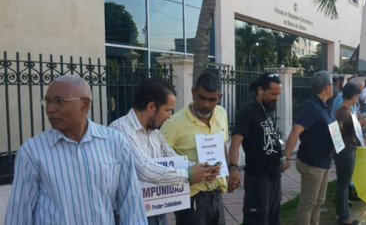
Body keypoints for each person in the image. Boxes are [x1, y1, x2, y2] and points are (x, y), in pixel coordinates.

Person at [5, 75, 147, 224]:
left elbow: (131, 204)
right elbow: (19, 212)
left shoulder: (115, 143)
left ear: (84, 104)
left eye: (59, 101)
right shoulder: (32, 151)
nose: (50, 109)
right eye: (47, 101)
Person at [109, 78, 219, 225]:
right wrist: (189, 174)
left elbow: (175, 160)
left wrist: (204, 169)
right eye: (167, 110)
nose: (169, 117)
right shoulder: (120, 130)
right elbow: (144, 169)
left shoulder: (155, 134)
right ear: (151, 106)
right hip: (131, 216)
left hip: (157, 212)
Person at [161, 72, 230, 225]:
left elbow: (222, 143)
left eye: (212, 100)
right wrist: (189, 172)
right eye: (202, 98)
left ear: (220, 97)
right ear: (193, 92)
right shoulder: (174, 124)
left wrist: (228, 170)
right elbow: (158, 160)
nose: (206, 105)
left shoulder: (221, 113)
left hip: (216, 196)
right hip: (190, 200)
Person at [229, 73, 284, 225]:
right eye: (273, 94)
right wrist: (233, 168)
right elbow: (235, 143)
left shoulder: (267, 112)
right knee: (257, 220)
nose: (276, 98)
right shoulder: (248, 112)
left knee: (273, 218)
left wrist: (282, 158)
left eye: (278, 94)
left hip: (274, 177)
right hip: (258, 179)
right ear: (260, 90)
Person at [281, 70, 335, 225]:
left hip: (324, 161)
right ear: (326, 87)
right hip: (312, 163)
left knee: (319, 202)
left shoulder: (324, 106)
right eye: (331, 84)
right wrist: (285, 157)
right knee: (308, 203)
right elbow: (295, 131)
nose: (333, 87)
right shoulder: (311, 107)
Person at [333, 83, 366, 225]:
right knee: (343, 183)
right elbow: (336, 131)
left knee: (345, 182)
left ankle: (344, 214)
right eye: (357, 95)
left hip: (349, 148)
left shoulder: (349, 110)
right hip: (345, 150)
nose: (358, 98)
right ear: (354, 96)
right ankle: (343, 216)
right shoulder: (342, 111)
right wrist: (339, 149)